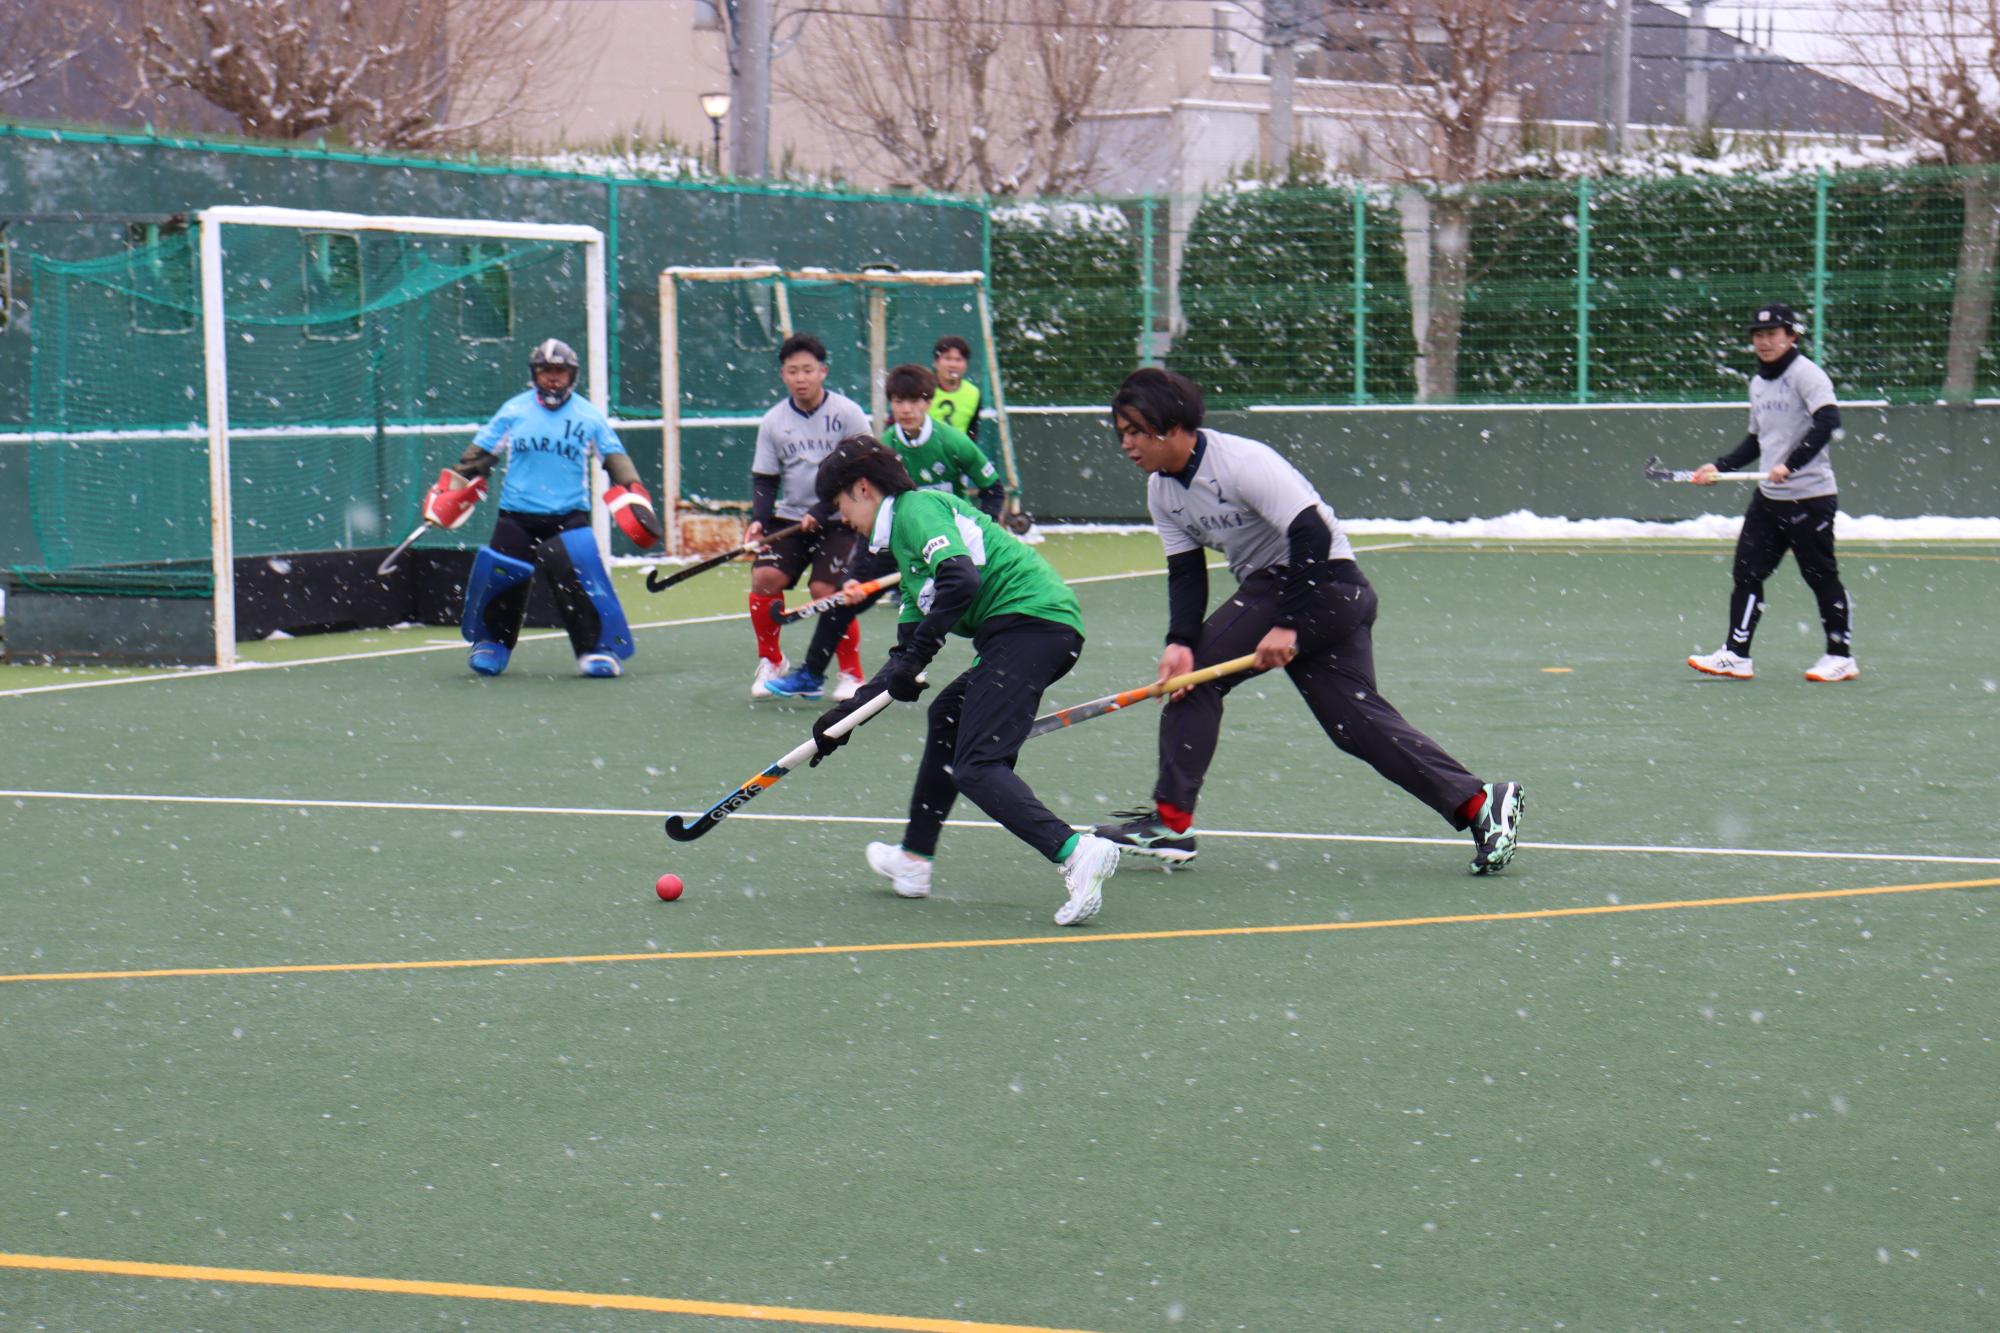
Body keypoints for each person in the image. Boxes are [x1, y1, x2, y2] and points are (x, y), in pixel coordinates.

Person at [1092, 368, 1524, 875]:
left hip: (1323, 586)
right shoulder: (1162, 492)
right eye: (1121, 433)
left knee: (1195, 684)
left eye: (1137, 431)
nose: (1127, 444)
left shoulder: (1241, 462)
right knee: (1355, 725)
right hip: (1306, 598)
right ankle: (1479, 804)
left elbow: (1311, 532)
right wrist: (1179, 641)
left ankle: (1171, 823)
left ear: (1174, 425)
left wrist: (1290, 624)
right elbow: (1186, 572)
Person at [808, 437, 1121, 927]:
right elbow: (904, 654)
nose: (840, 518)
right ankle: (913, 861)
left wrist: (918, 656)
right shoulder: (909, 561)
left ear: (863, 488)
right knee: (947, 718)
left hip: (1033, 625)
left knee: (977, 765)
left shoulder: (915, 509)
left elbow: (961, 580)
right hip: (1022, 632)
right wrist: (844, 719)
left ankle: (1077, 851)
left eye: (839, 504)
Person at [433, 337, 660, 679]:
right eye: (546, 371)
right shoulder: (513, 411)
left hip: (568, 517)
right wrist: (447, 494)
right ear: (534, 375)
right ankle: (491, 643)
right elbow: (478, 457)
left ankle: (596, 648)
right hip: (516, 515)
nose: (553, 378)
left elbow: (616, 461)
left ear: (572, 376)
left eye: (560, 372)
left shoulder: (588, 416)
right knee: (503, 579)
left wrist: (635, 498)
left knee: (582, 581)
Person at [1685, 301, 1855, 683]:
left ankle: (1840, 656)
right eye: (1758, 335)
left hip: (1810, 498)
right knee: (1746, 573)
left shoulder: (1806, 374)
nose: (1764, 342)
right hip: (1769, 500)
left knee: (1820, 576)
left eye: (1772, 334)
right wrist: (1719, 466)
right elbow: (1756, 440)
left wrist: (1791, 465)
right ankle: (1736, 655)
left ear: (1791, 337)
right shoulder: (1759, 383)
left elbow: (1828, 421)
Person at [746, 334, 870, 701]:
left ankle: (851, 674)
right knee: (765, 577)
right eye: (792, 371)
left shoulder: (848, 414)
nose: (801, 378)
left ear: (823, 372)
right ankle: (772, 660)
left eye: (808, 370)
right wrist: (759, 520)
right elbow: (765, 480)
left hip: (843, 519)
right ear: (783, 375)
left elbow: (863, 468)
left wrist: (823, 510)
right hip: (792, 519)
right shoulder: (773, 421)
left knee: (826, 592)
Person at [882, 362, 1004, 519]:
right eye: (899, 401)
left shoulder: (953, 441)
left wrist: (984, 530)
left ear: (928, 402)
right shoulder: (884, 447)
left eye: (914, 401)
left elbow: (993, 488)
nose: (906, 410)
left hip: (955, 533)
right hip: (907, 537)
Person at [929, 334, 982, 441]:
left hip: (957, 455)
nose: (953, 365)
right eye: (947, 358)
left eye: (958, 360)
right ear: (936, 363)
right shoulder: (921, 388)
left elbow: (972, 434)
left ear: (966, 365)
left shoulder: (973, 393)